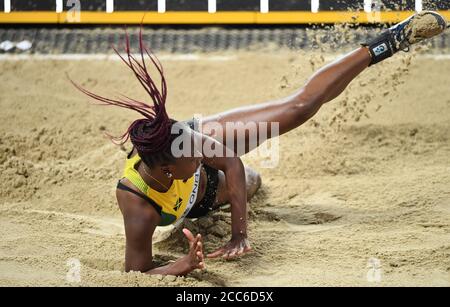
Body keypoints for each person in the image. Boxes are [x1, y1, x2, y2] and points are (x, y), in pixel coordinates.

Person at [70, 11, 447, 276]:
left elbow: (228, 162)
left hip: (219, 163)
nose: (199, 152)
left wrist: (239, 235)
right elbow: (138, 270)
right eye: (193, 153)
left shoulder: (190, 141)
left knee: (299, 107)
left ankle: (385, 42)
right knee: (253, 184)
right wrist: (180, 267)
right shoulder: (139, 207)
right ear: (168, 168)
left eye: (195, 145)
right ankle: (243, 190)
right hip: (203, 201)